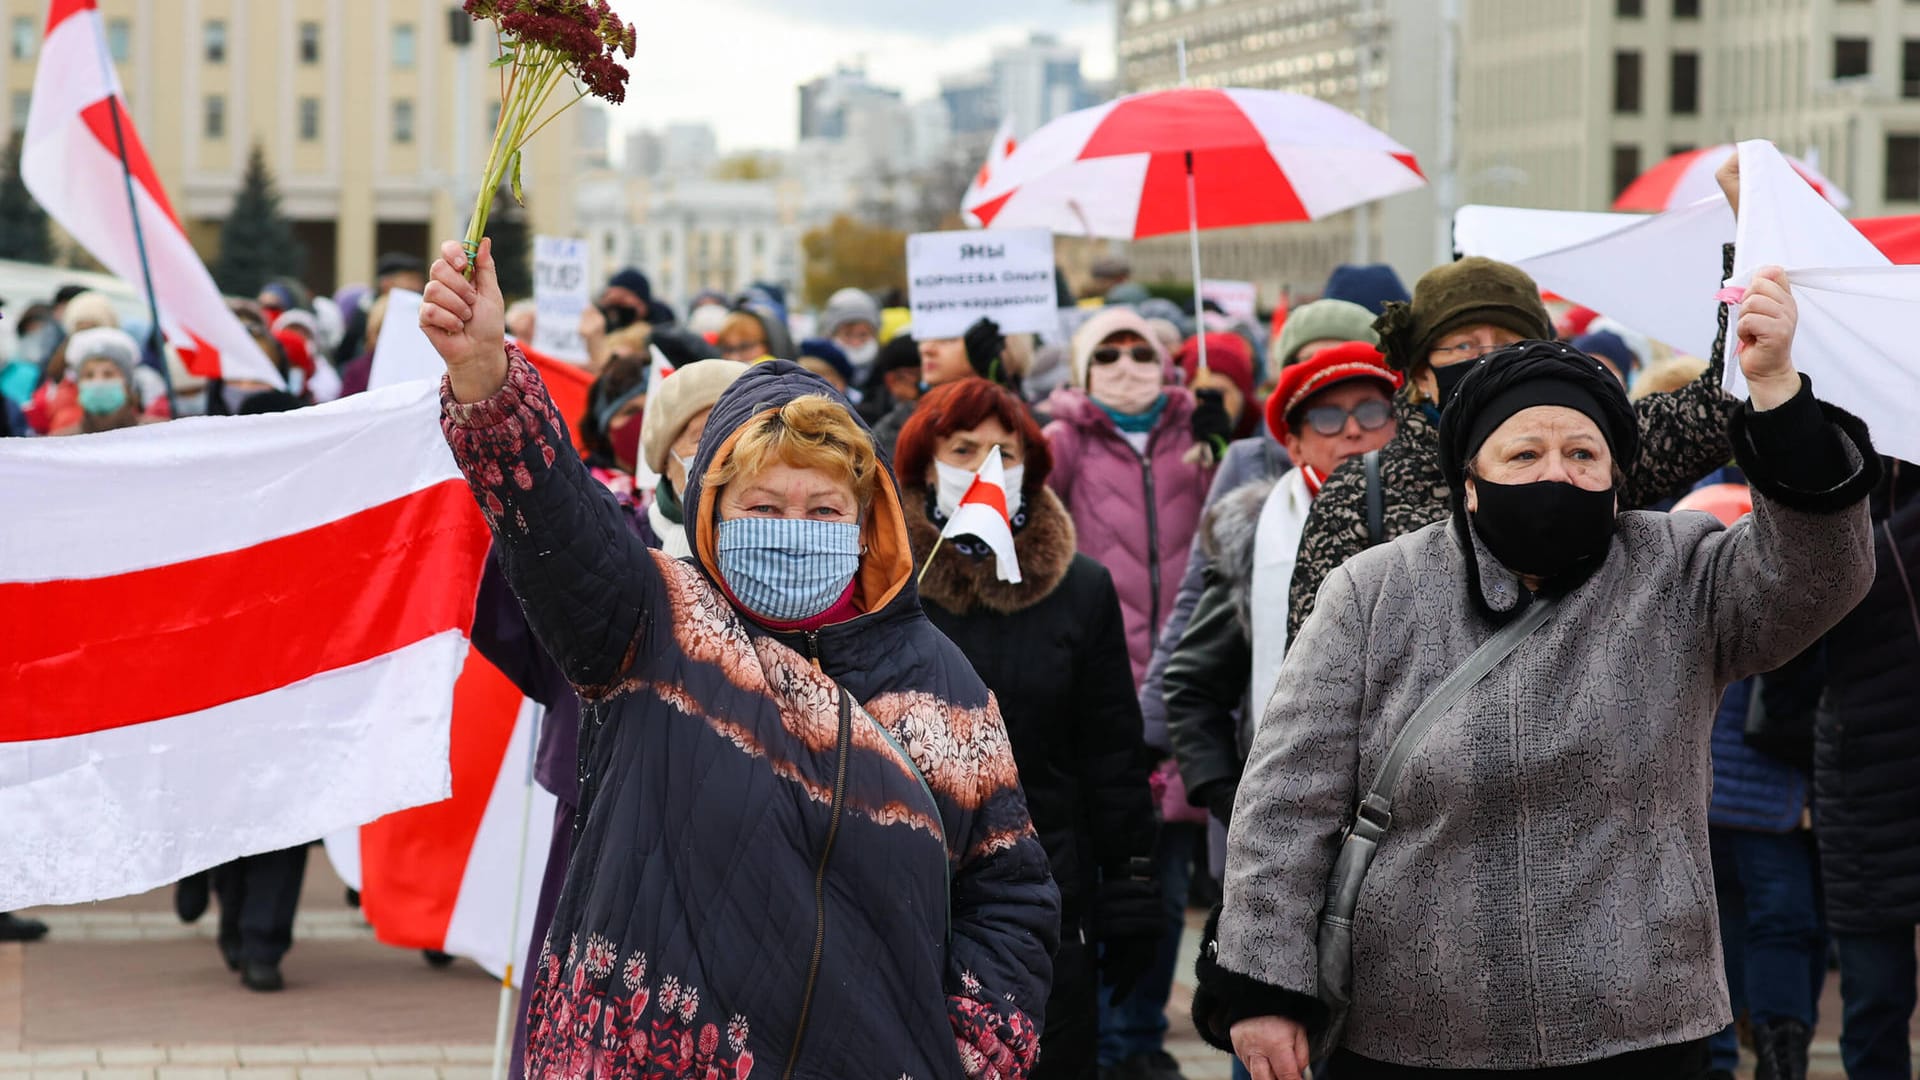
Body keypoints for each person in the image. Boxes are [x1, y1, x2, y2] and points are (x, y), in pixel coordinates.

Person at [1198, 275, 1880, 1077]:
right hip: (1414, 1033)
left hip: (1640, 1026)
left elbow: (1819, 577)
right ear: (1471, 482)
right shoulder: (1375, 592)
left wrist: (1778, 398)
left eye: (1582, 453)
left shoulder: (1679, 570)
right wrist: (1264, 987)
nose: (1556, 472)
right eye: (1524, 453)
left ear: (1617, 476)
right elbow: (1286, 800)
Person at [420, 238, 1058, 1080]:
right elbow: (556, 519)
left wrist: (962, 1055)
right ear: (713, 510)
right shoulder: (654, 621)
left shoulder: (941, 682)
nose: (793, 528)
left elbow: (1010, 891)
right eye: (763, 503)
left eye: (823, 506)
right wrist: (487, 379)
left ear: (865, 522)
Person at [895, 377, 1163, 1080]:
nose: (986, 466)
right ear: (926, 465)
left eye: (1004, 453)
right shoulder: (882, 583)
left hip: (1046, 899)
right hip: (905, 891)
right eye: (964, 448)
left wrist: (1133, 886)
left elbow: (1111, 751)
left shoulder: (1081, 588)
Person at [1287, 255, 1740, 646]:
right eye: (1463, 344)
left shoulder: (1588, 453)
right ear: (1422, 375)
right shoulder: (1362, 492)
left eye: (1509, 343)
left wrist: (1749, 244)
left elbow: (1720, 404)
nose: (1487, 360)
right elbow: (1317, 669)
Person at [1043, 306, 1211, 1080]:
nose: (1123, 363)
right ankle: (1102, 1039)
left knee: (1167, 881)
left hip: (1179, 699)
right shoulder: (1062, 442)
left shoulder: (1199, 438)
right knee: (1101, 876)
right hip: (1098, 697)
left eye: (1138, 349)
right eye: (1104, 353)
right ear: (1081, 370)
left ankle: (1140, 1038)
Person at [1163, 343, 1400, 830]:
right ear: (1293, 445)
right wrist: (1234, 801)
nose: (1353, 429)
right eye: (1328, 418)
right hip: (1295, 824)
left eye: (1372, 411)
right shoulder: (1256, 536)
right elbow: (1193, 688)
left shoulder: (1447, 525)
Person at [1670, 482, 1829, 1080]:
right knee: (1780, 927)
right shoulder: (1787, 588)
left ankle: (1716, 1060)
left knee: (1711, 935)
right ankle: (1780, 1058)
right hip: (1774, 804)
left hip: (1705, 801)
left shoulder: (1687, 540)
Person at [1814, 457, 1920, 1080]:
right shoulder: (1836, 500)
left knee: (1873, 998)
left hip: (1858, 764)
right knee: (1875, 996)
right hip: (1863, 776)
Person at [637, 358, 749, 558]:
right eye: (703, 438)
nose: (723, 450)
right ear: (666, 462)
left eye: (743, 436)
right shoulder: (628, 537)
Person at [52, 328, 151, 436]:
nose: (98, 382)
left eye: (108, 374)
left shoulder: (154, 433)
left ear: (127, 384)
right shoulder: (63, 442)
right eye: (89, 375)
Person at [820, 287, 882, 383]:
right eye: (847, 335)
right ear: (831, 335)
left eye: (863, 335)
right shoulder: (818, 374)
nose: (855, 343)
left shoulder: (888, 373)